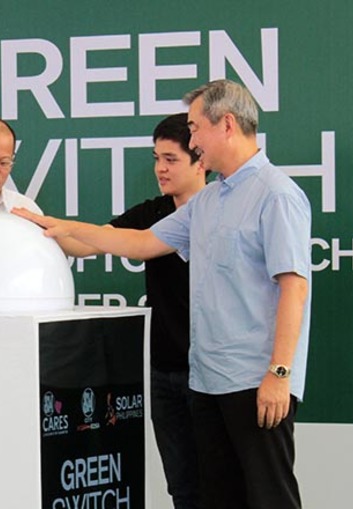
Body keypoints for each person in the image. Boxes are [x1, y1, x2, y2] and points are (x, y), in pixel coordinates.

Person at [14, 79, 311, 509]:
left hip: (256, 383)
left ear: (226, 124)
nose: (191, 140)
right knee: (216, 498)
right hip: (207, 382)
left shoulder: (277, 195)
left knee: (268, 498)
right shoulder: (206, 203)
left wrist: (279, 374)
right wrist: (56, 226)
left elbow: (294, 288)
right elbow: (139, 243)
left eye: (194, 128)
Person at [58, 113, 206, 508]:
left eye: (171, 159)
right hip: (163, 372)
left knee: (222, 482)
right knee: (182, 485)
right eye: (156, 158)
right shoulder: (150, 213)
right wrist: (39, 232)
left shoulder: (220, 211)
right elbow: (89, 244)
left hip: (213, 370)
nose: (160, 168)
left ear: (200, 160)